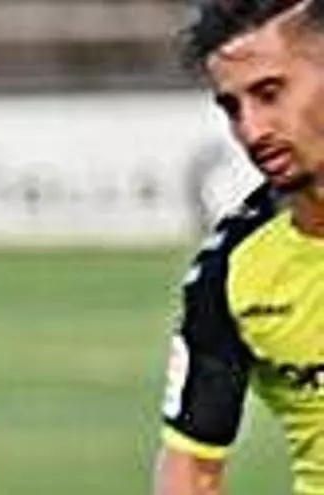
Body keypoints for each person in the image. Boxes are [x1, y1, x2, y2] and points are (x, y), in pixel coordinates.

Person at [153, 0, 324, 494]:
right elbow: (191, 468)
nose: (252, 130)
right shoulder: (230, 270)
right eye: (232, 107)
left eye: (270, 93)